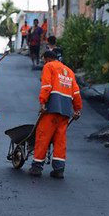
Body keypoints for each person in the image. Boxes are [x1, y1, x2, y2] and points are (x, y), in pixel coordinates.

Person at [30, 50, 82, 178]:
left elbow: (46, 85)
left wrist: (42, 102)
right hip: (65, 110)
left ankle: (37, 167)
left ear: (47, 59)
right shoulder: (69, 71)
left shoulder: (49, 66)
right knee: (60, 140)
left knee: (43, 136)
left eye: (43, 61)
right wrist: (77, 109)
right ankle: (59, 170)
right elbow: (76, 93)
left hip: (52, 107)